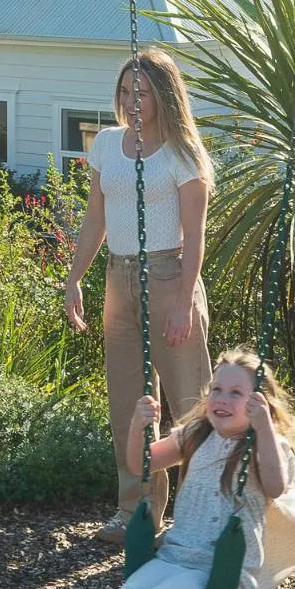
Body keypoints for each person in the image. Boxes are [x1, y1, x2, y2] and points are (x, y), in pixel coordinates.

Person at [24, 350, 295, 589]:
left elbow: (275, 486)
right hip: (173, 556)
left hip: (217, 573)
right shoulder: (197, 434)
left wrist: (264, 430)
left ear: (261, 403)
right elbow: (141, 464)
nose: (222, 399)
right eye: (217, 390)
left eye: (236, 393)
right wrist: (139, 427)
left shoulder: (268, 446)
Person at [62, 45, 213, 540]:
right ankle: (136, 513)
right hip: (118, 279)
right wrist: (74, 278)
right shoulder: (107, 145)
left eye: (142, 93)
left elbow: (196, 237)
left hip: (170, 277)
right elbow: (95, 218)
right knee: (130, 402)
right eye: (125, 91)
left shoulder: (183, 155)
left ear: (164, 95)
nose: (131, 101)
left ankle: (198, 517)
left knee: (190, 404)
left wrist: (184, 302)